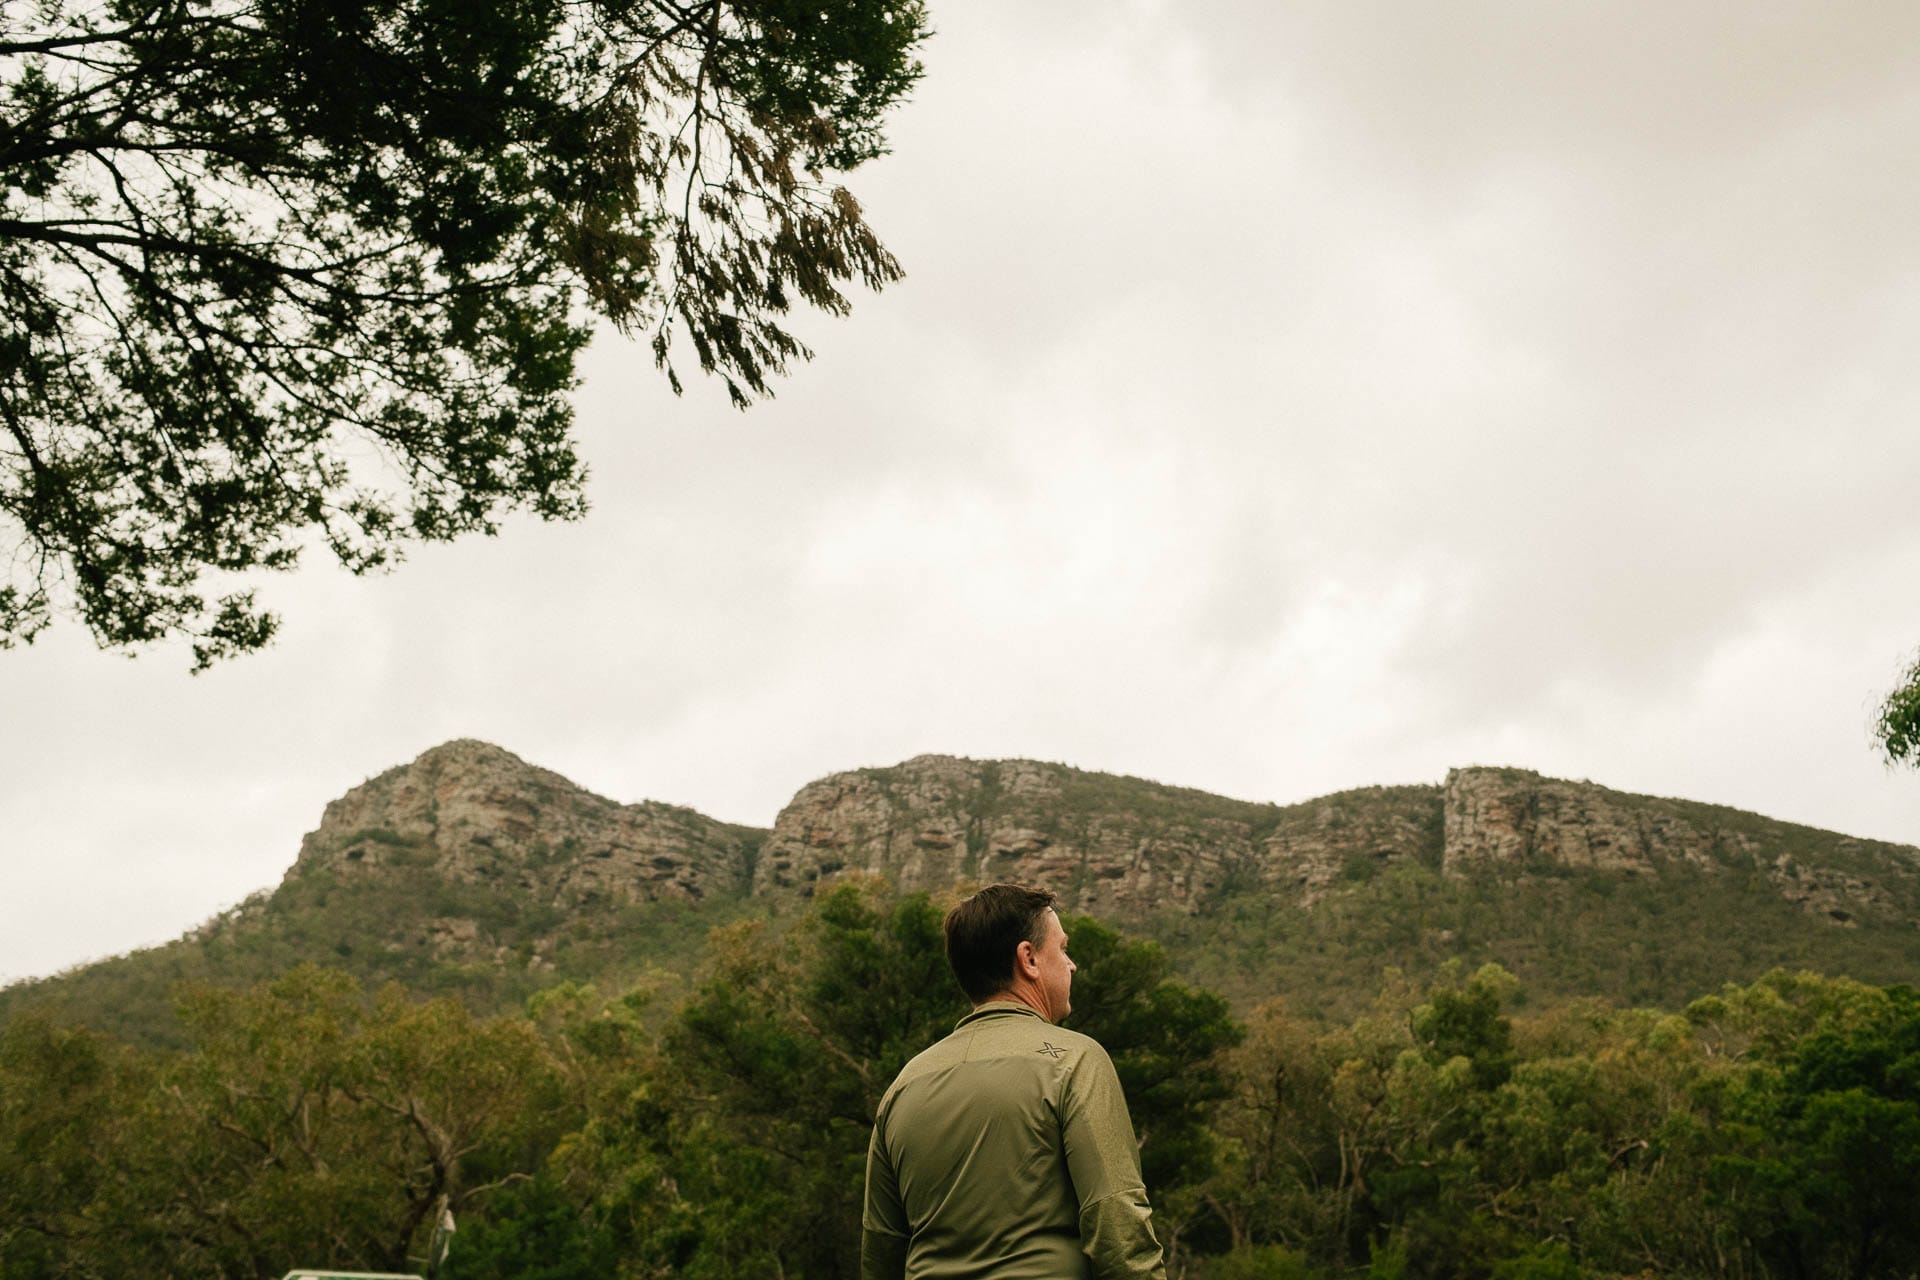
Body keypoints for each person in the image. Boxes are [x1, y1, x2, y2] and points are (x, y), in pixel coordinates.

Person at [861, 883, 1167, 1279]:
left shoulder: (903, 1087)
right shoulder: (1075, 1061)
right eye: (1063, 949)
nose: (1071, 964)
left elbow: (880, 1251)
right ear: (1029, 959)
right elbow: (1118, 1226)